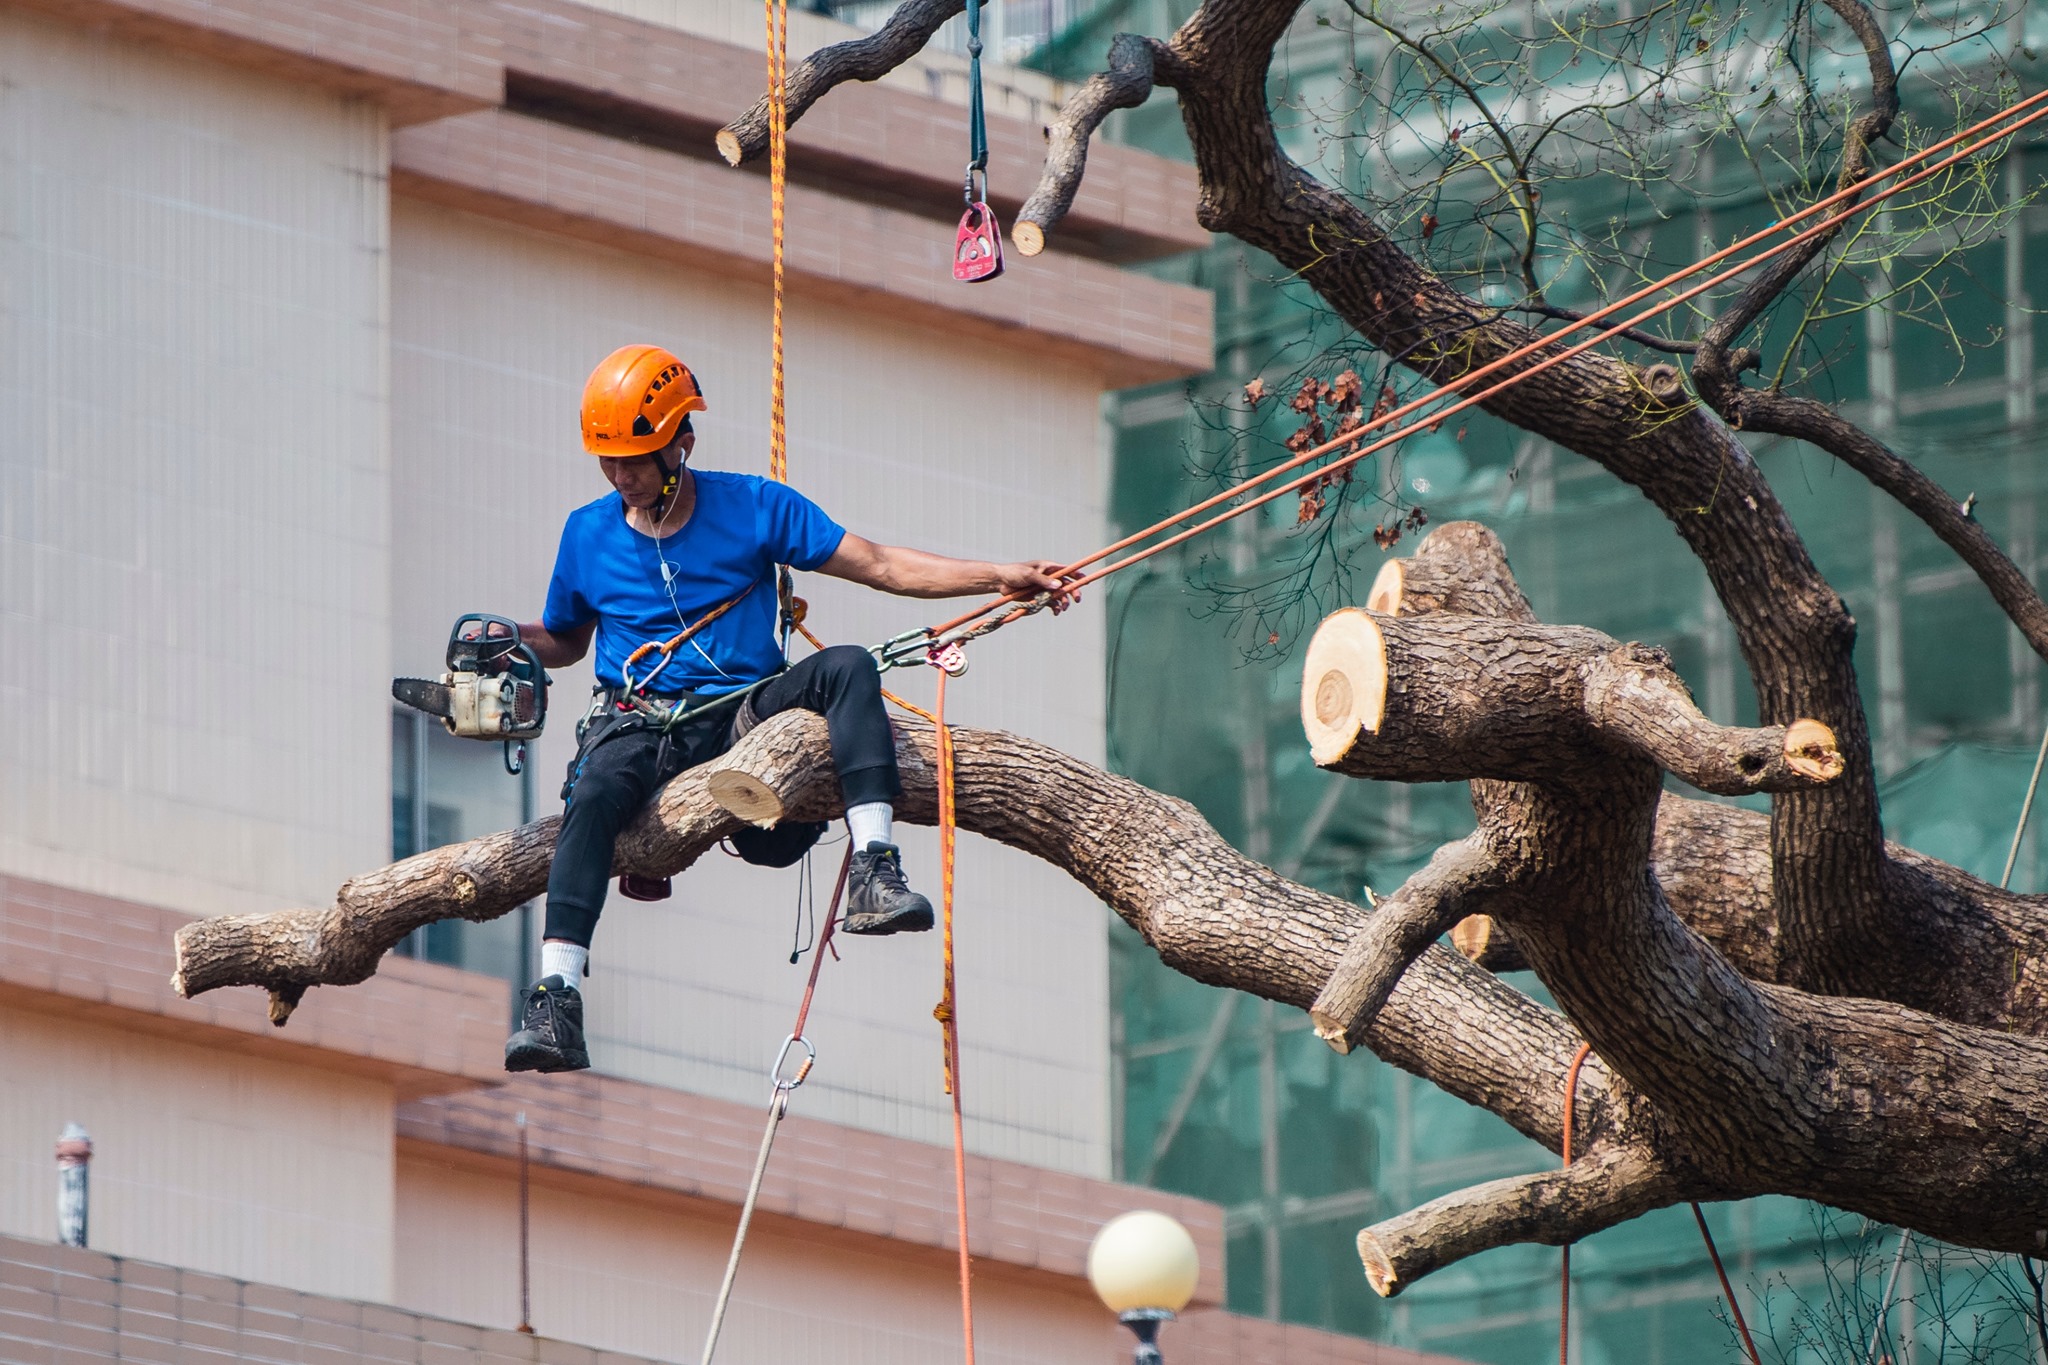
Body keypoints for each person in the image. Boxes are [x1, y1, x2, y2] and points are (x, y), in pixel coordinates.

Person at [500, 344, 1076, 1073]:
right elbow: (567, 639)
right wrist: (508, 638)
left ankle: (876, 866)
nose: (622, 477)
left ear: (683, 442)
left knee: (848, 666)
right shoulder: (588, 532)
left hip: (744, 712)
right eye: (608, 462)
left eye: (637, 459)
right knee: (592, 796)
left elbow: (881, 564)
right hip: (641, 721)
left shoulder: (752, 507)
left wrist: (999, 576)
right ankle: (557, 998)